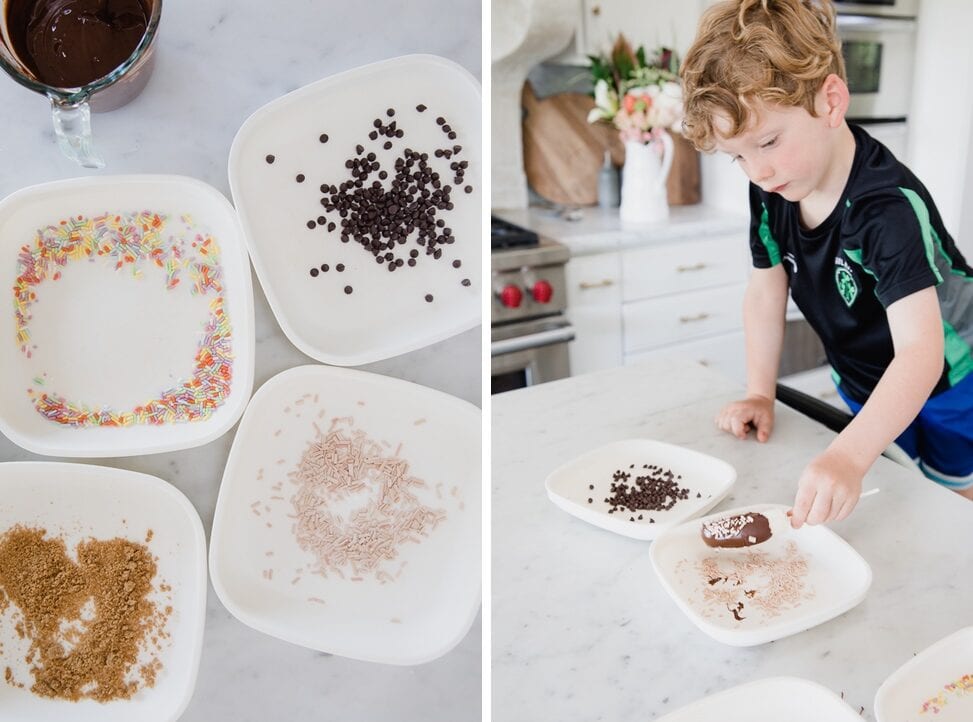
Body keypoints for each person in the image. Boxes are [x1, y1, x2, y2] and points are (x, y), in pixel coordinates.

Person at [679, 0, 973, 527]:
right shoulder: (772, 190)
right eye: (739, 156)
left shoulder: (885, 210)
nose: (758, 171)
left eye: (768, 142)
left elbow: (921, 354)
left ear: (831, 102)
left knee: (952, 504)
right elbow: (766, 294)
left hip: (952, 377)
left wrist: (846, 455)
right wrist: (758, 392)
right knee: (895, 498)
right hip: (862, 379)